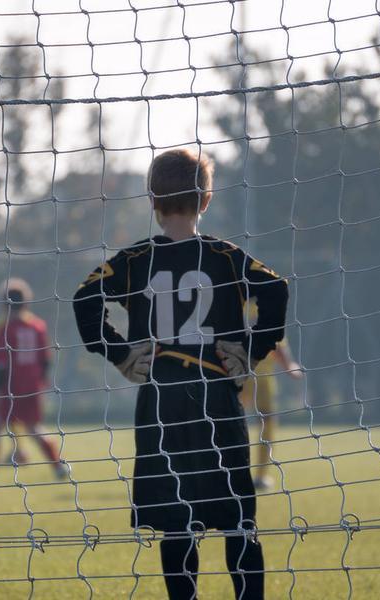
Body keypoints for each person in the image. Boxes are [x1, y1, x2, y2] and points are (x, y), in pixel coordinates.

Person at [74, 148, 288, 599]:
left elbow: (84, 298)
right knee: (239, 522)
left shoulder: (134, 260)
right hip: (216, 399)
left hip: (161, 401)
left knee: (177, 524)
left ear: (152, 199)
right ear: (206, 200)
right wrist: (251, 348)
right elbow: (275, 288)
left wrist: (119, 353)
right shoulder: (226, 257)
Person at [0, 278, 66, 479]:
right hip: (32, 386)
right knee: (34, 427)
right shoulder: (38, 326)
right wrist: (42, 384)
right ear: (27, 302)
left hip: (10, 387)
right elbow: (46, 360)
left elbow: (1, 364)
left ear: (4, 304)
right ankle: (58, 467)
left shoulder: (4, 328)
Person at [240, 332, 302, 491]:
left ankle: (229, 473)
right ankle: (260, 476)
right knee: (267, 423)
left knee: (230, 423)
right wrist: (289, 365)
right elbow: (275, 342)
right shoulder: (266, 308)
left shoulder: (235, 308)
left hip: (235, 373)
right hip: (261, 376)